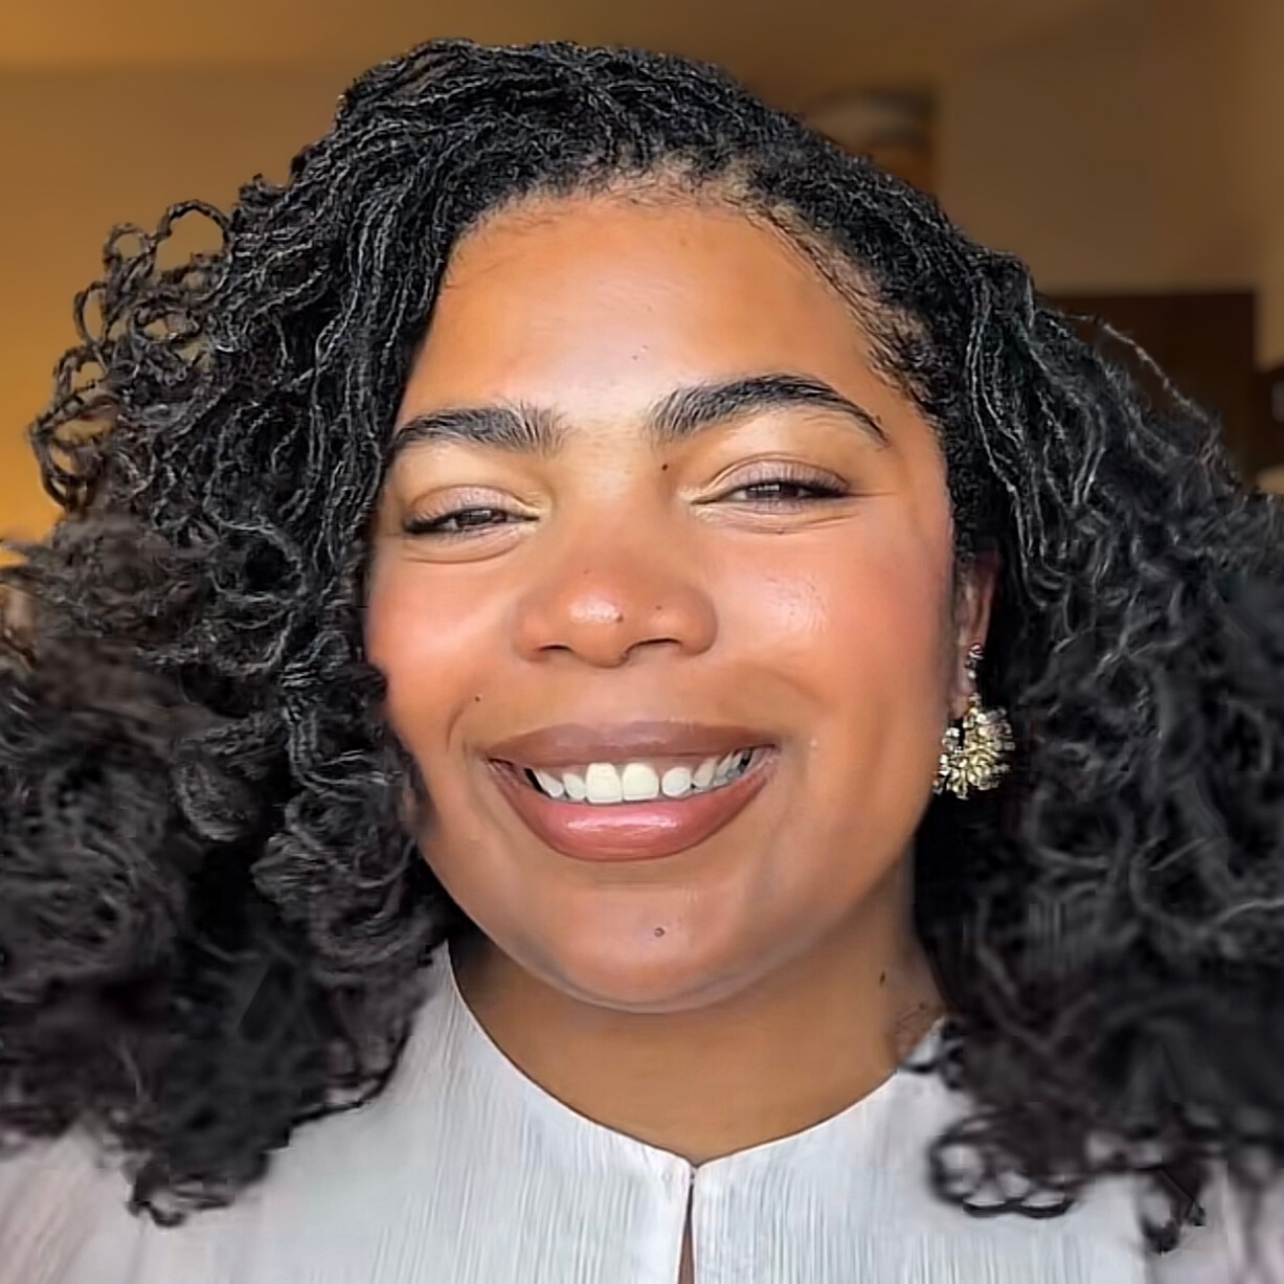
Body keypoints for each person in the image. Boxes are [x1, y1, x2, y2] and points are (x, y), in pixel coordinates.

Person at [0, 37, 1281, 1284]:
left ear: (966, 616)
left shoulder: (1241, 1224)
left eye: (769, 483)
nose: (605, 607)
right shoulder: (59, 1219)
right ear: (314, 633)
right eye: (463, 511)